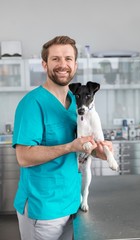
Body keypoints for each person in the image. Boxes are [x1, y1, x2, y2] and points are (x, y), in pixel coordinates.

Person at [12, 35, 113, 240]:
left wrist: (99, 151)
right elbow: (23, 157)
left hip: (71, 204)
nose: (62, 64)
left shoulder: (77, 104)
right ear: (44, 64)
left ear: (75, 65)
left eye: (68, 59)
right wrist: (70, 147)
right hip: (43, 209)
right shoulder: (32, 104)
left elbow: (81, 145)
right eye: (55, 59)